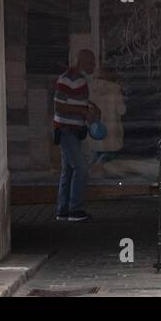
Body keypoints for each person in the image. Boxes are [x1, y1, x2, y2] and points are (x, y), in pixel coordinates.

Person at [54, 49, 101, 223]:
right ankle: (76, 210)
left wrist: (91, 106)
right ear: (83, 62)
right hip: (67, 130)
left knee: (68, 170)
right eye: (92, 62)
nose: (94, 66)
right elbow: (59, 106)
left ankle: (63, 210)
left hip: (69, 130)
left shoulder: (77, 80)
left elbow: (75, 100)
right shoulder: (67, 79)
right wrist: (83, 111)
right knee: (80, 168)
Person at [85, 60, 126, 167]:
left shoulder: (89, 88)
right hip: (112, 132)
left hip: (95, 130)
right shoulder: (115, 90)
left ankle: (90, 173)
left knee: (95, 154)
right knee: (109, 156)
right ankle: (96, 172)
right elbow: (122, 111)